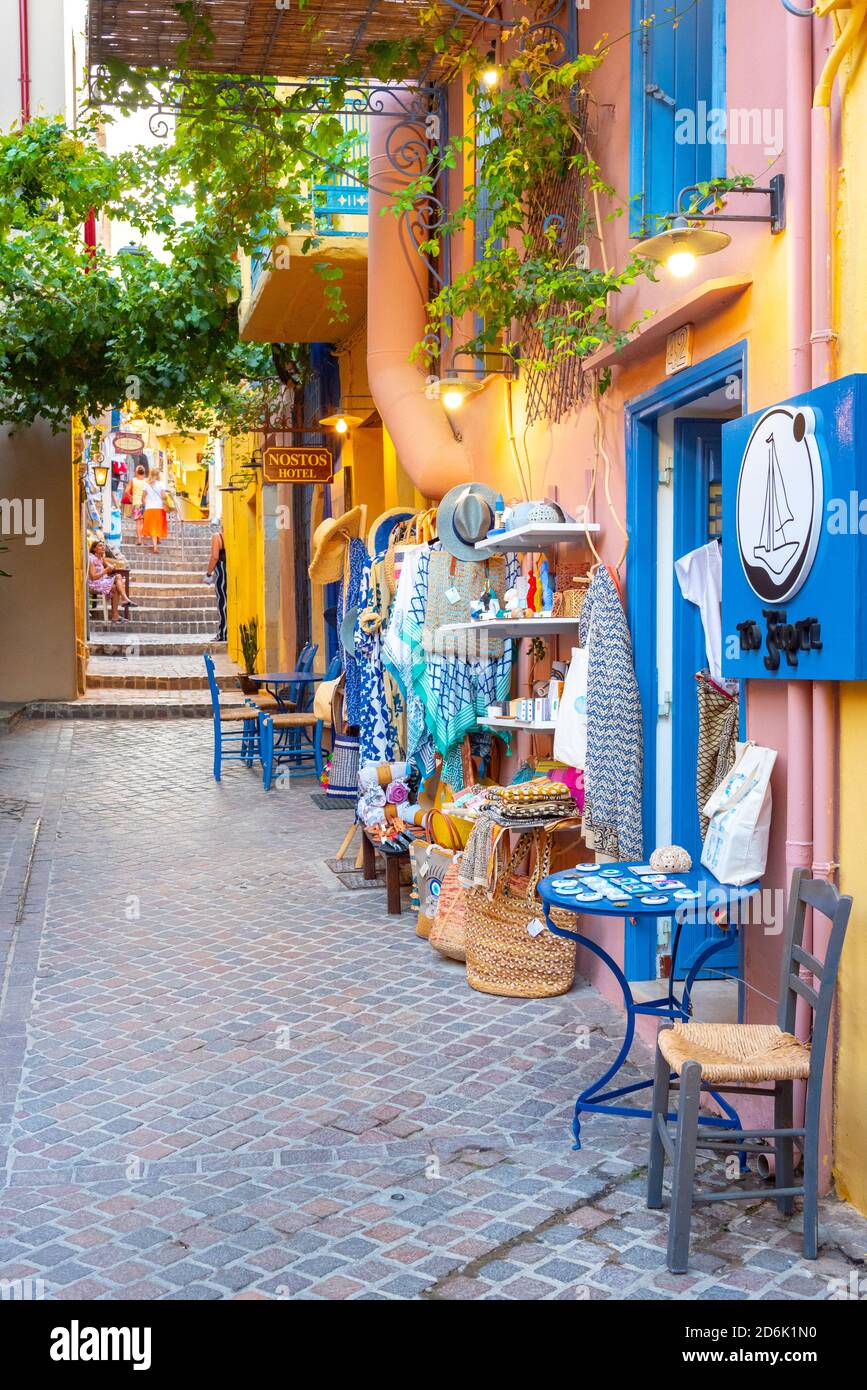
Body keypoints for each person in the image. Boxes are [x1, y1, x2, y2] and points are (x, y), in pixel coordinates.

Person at [88, 539, 133, 622]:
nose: (103, 547)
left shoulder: (100, 558)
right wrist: (105, 571)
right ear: (94, 549)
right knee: (118, 578)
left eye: (103, 546)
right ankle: (124, 600)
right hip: (94, 584)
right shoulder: (91, 559)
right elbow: (93, 577)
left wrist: (111, 566)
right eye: (100, 546)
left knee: (117, 583)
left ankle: (117, 613)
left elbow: (109, 565)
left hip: (101, 581)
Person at [206, 519, 227, 642]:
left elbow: (214, 557)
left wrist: (208, 573)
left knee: (223, 602)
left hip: (222, 573)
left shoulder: (218, 536)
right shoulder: (235, 536)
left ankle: (223, 633)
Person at [141, 472, 169, 553]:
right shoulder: (161, 483)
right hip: (159, 508)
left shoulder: (146, 484)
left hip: (149, 508)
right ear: (158, 475)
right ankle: (155, 546)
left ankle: (156, 542)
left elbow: (143, 498)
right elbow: (163, 496)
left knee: (153, 527)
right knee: (157, 526)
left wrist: (146, 504)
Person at [130, 461, 149, 545]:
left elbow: (127, 491)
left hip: (136, 503)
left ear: (136, 472)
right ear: (144, 472)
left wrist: (131, 499)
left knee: (138, 522)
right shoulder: (147, 481)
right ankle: (145, 539)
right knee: (144, 522)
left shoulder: (133, 480)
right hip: (145, 503)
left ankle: (139, 540)